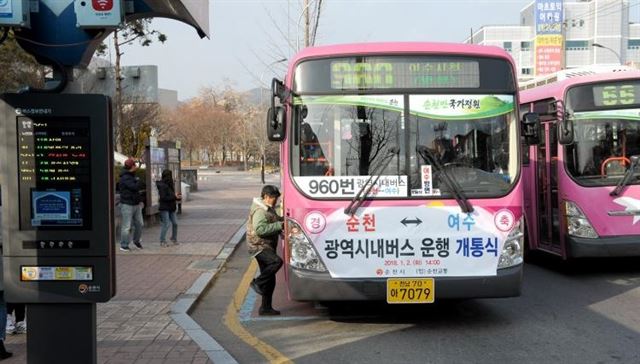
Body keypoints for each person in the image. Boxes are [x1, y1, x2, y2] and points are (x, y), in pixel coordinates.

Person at [247, 185, 284, 316]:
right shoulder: (260, 211)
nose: (276, 201)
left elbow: (276, 219)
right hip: (258, 246)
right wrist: (280, 225)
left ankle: (265, 308)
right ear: (266, 197)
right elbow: (260, 229)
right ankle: (257, 282)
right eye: (274, 198)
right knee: (276, 262)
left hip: (267, 245)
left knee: (271, 278)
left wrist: (283, 220)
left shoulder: (269, 208)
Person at [119, 158, 144, 251]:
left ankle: (136, 241)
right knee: (127, 226)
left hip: (136, 204)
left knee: (140, 224)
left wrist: (140, 200)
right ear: (132, 167)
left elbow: (136, 191)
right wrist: (138, 181)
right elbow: (135, 187)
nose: (136, 167)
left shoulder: (132, 175)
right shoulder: (125, 177)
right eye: (135, 165)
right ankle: (124, 245)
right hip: (127, 205)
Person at [156, 169, 181, 246]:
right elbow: (163, 197)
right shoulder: (162, 186)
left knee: (175, 223)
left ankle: (173, 238)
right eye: (170, 175)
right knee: (166, 224)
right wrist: (174, 196)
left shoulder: (170, 184)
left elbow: (171, 195)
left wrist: (176, 197)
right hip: (164, 207)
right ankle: (162, 240)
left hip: (171, 207)